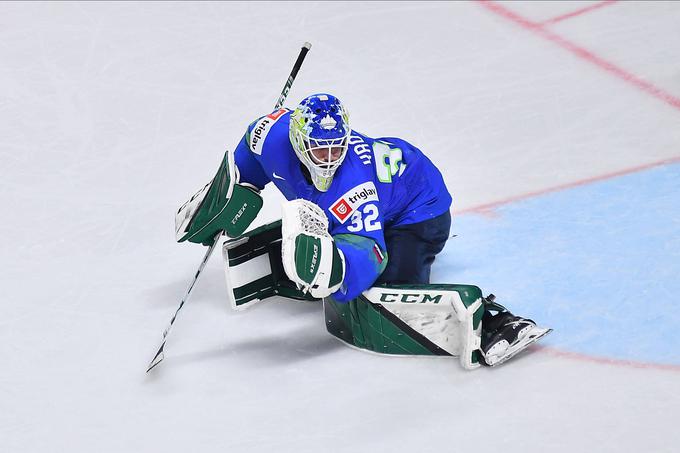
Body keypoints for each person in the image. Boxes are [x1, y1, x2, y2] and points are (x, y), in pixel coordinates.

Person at [230, 93, 548, 366]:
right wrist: (228, 196)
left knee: (385, 289)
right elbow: (247, 161)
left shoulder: (356, 190)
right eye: (319, 149)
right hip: (387, 197)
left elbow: (370, 254)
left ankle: (494, 321)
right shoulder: (270, 132)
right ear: (298, 139)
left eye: (336, 149)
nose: (328, 160)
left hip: (419, 212)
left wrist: (337, 269)